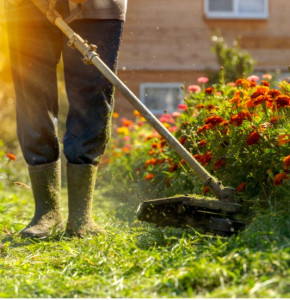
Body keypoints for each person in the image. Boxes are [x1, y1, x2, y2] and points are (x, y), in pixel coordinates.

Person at [5, 0, 127, 238]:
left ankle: (82, 216)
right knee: (33, 97)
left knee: (92, 95)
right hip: (26, 6)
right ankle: (46, 212)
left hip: (96, 7)